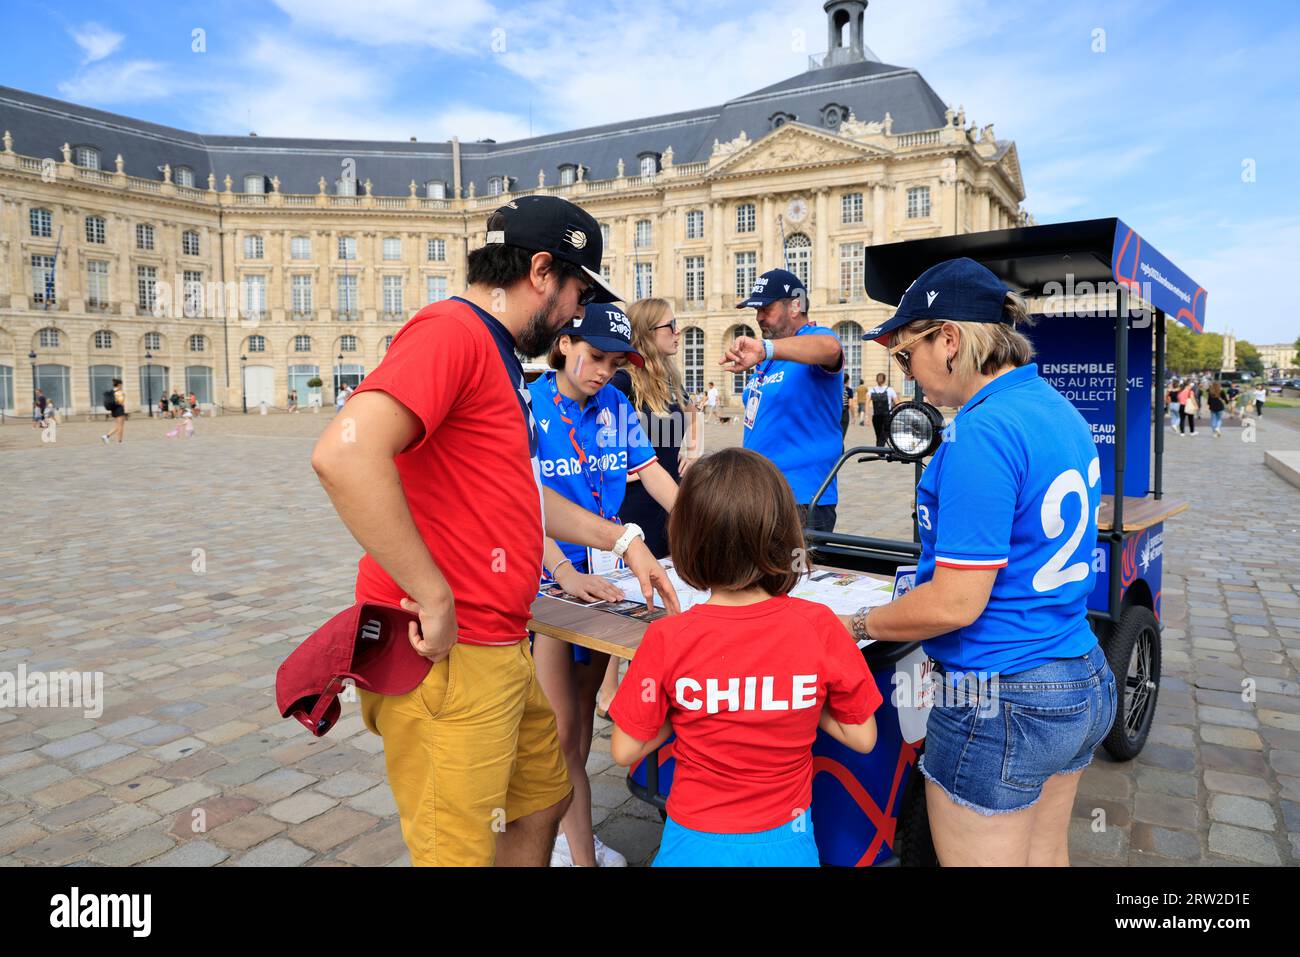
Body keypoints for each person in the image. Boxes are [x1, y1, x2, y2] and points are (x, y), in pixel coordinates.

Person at [309, 194, 680, 867]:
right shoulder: (452, 332)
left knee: (541, 796)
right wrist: (432, 593)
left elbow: (516, 493)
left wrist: (623, 539)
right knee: (458, 850)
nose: (574, 312)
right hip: (447, 656)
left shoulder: (498, 354)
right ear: (542, 270)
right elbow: (344, 454)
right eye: (576, 292)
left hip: (502, 641)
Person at [851, 257, 1116, 866]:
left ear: (948, 340)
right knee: (1046, 854)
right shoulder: (1057, 408)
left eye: (904, 352)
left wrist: (859, 624)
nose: (906, 370)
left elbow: (955, 601)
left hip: (1001, 689)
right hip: (1076, 670)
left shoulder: (982, 429)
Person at [609, 447, 881, 866]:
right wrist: (798, 699)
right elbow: (862, 737)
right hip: (788, 846)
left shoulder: (669, 636)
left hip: (692, 844)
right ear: (785, 535)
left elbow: (626, 750)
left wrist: (690, 708)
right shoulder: (820, 626)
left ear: (687, 538)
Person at [530, 302, 680, 868]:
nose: (602, 371)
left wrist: (709, 523)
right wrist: (564, 573)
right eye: (594, 356)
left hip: (609, 586)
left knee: (581, 725)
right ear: (564, 344)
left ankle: (574, 837)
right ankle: (567, 846)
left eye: (614, 362)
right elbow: (524, 503)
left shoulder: (616, 403)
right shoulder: (530, 403)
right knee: (560, 731)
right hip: (551, 585)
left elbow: (652, 473)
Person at [723, 268, 844, 533]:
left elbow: (831, 349)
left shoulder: (813, 338)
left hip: (801, 499)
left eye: (766, 308)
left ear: (795, 306)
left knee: (795, 574)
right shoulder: (771, 357)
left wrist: (766, 349)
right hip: (759, 494)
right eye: (756, 311)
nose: (759, 318)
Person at [868, 373, 898, 448]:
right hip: (887, 415)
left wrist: (866, 415)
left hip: (876, 415)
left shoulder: (872, 390)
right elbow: (897, 402)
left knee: (878, 434)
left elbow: (866, 403)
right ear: (885, 380)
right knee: (885, 433)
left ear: (876, 380)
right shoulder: (890, 390)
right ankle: (880, 449)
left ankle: (879, 449)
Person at [101, 378, 127, 444]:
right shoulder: (119, 392)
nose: (121, 386)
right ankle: (119, 441)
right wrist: (123, 396)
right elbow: (121, 402)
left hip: (114, 410)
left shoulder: (112, 391)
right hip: (119, 410)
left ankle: (106, 436)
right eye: (121, 384)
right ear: (119, 384)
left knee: (117, 426)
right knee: (121, 426)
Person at [840, 373, 853, 439]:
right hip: (845, 413)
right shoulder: (849, 390)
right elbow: (850, 404)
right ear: (848, 380)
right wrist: (853, 417)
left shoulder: (836, 388)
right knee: (842, 436)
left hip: (836, 412)